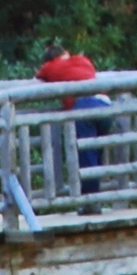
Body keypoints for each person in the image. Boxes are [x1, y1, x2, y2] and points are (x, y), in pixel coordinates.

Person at [37, 46, 117, 195]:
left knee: (86, 154)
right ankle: (96, 195)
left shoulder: (51, 66)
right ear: (66, 53)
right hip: (105, 104)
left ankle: (90, 198)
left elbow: (40, 74)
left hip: (84, 106)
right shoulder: (84, 60)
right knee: (96, 151)